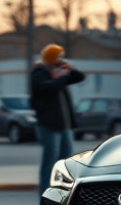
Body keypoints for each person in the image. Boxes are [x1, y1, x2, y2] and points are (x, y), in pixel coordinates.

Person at [30, 44, 85, 195]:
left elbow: (80, 77)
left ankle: (62, 194)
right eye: (59, 56)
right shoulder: (39, 74)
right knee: (50, 162)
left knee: (66, 162)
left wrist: (70, 69)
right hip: (49, 125)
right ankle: (45, 194)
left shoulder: (60, 73)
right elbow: (51, 87)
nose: (62, 59)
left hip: (65, 125)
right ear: (52, 58)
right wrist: (63, 76)